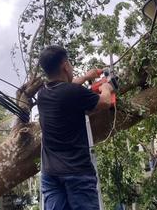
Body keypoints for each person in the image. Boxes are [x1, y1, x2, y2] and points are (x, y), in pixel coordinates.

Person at [37, 44, 113, 210]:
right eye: (69, 63)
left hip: (51, 174)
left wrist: (86, 77)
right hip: (77, 173)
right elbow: (106, 102)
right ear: (65, 66)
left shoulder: (42, 94)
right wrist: (106, 87)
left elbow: (67, 88)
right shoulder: (74, 93)